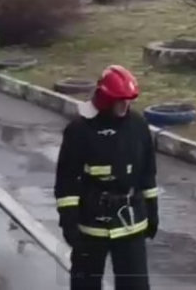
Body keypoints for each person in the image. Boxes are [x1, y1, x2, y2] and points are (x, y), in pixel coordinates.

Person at [55, 64, 158, 290]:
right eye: (120, 101)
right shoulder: (80, 130)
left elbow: (148, 172)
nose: (125, 106)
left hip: (131, 223)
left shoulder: (138, 126)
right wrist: (69, 222)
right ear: (105, 99)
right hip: (91, 226)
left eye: (128, 100)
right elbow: (66, 181)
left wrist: (152, 210)